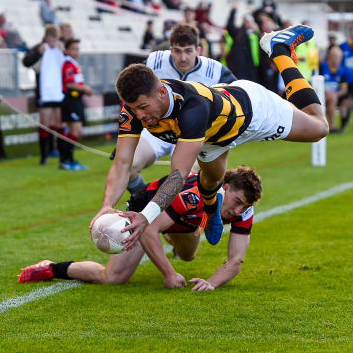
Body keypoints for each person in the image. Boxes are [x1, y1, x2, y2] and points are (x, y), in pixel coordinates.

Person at [91, 25, 328, 256]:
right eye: (134, 109)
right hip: (213, 136)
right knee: (211, 178)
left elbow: (178, 175)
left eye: (143, 107)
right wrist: (106, 205)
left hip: (253, 113)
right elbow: (122, 163)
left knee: (319, 127)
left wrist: (146, 216)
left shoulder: (193, 108)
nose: (139, 116)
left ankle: (279, 50)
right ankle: (212, 208)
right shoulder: (133, 111)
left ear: (162, 92)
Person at [20, 167, 262, 289]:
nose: (238, 211)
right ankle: (51, 268)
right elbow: (147, 228)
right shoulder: (192, 195)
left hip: (179, 220)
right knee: (113, 279)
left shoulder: (243, 210)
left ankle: (169, 232)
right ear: (226, 187)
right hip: (143, 214)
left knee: (188, 256)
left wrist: (211, 283)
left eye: (245, 206)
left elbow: (236, 260)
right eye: (237, 202)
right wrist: (168, 274)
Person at [122, 24, 236, 195]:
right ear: (170, 50)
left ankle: (176, 216)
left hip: (193, 135)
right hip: (158, 129)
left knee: (185, 178)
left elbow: (235, 99)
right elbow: (132, 93)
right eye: (177, 51)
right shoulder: (155, 61)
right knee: (128, 166)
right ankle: (142, 199)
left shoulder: (215, 70)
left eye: (188, 51)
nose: (183, 57)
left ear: (198, 49)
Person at [23, 25, 66, 165]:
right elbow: (26, 61)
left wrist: (64, 51)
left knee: (59, 122)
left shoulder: (61, 48)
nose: (53, 42)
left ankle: (61, 155)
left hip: (59, 91)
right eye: (51, 39)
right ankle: (44, 156)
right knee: (45, 123)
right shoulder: (40, 48)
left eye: (56, 39)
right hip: (44, 92)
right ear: (46, 37)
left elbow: (71, 60)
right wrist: (38, 52)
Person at [59, 38, 94, 170]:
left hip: (76, 100)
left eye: (77, 48)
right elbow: (68, 84)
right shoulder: (68, 64)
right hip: (71, 100)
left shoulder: (73, 64)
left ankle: (68, 160)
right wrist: (84, 88)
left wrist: (84, 89)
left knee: (75, 131)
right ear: (66, 50)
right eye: (73, 48)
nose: (76, 51)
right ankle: (66, 160)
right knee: (75, 130)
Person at [320, 46, 346, 132]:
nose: (339, 60)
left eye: (340, 57)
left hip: (333, 96)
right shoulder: (322, 66)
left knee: (334, 97)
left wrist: (336, 94)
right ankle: (331, 126)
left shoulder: (342, 70)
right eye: (338, 57)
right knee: (332, 97)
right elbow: (314, 82)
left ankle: (333, 125)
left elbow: (344, 89)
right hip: (319, 93)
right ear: (331, 57)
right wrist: (324, 91)